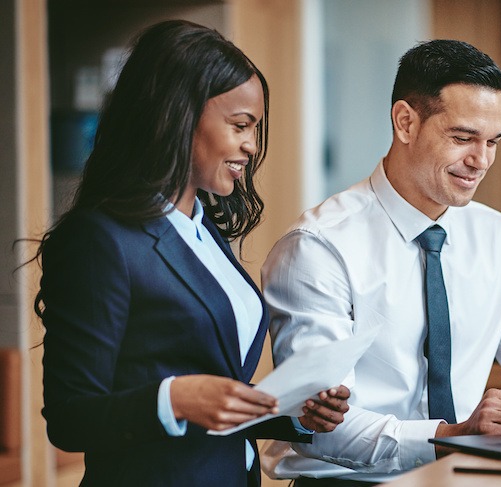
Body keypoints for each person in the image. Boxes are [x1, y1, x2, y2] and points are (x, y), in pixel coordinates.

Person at [34, 20, 350, 487]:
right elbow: (69, 416)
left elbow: (214, 404)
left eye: (255, 129)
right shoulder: (101, 240)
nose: (251, 145)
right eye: (240, 125)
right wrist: (174, 398)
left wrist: (293, 414)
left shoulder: (203, 231)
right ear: (178, 115)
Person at [260, 39, 501, 485]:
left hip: (465, 476)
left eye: (492, 142)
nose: (480, 161)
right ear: (406, 122)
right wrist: (451, 435)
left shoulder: (497, 237)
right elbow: (322, 428)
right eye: (462, 138)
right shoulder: (318, 247)